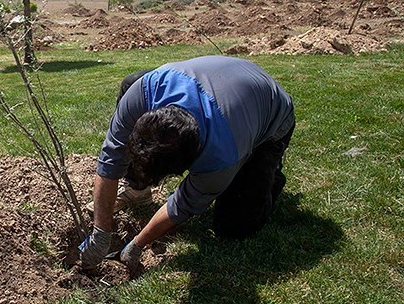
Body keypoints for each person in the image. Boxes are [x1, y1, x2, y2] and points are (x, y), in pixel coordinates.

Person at [79, 55, 296, 272]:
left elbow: (182, 204)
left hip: (270, 114)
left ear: (187, 167)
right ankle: (137, 191)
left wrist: (137, 244)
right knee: (130, 81)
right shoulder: (143, 92)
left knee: (235, 227)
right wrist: (101, 233)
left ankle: (269, 174)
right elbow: (110, 161)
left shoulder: (221, 157)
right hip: (216, 77)